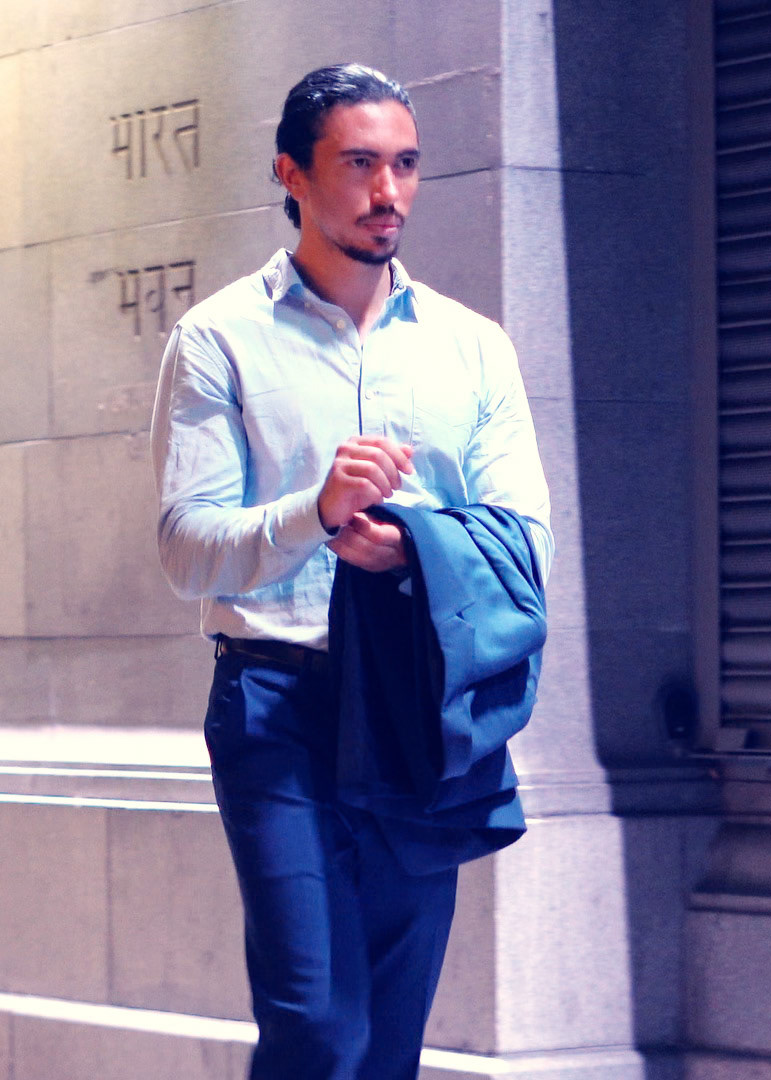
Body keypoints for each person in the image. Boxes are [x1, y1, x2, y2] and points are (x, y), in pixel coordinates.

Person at [149, 63, 552, 1080]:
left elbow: (526, 539)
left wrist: (415, 548)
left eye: (406, 165)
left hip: (420, 705)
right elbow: (187, 547)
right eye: (359, 164)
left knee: (387, 1042)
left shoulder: (474, 347)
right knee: (318, 1025)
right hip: (278, 703)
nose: (388, 193)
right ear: (292, 174)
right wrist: (317, 512)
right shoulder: (218, 339)